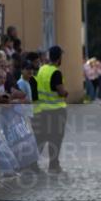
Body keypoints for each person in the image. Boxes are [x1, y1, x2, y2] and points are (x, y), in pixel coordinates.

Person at [34, 45, 68, 173]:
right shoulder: (56, 72)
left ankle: (32, 164)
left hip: (42, 110)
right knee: (56, 138)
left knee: (42, 137)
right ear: (59, 58)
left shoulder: (42, 69)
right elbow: (60, 91)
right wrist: (66, 93)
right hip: (56, 111)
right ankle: (53, 165)